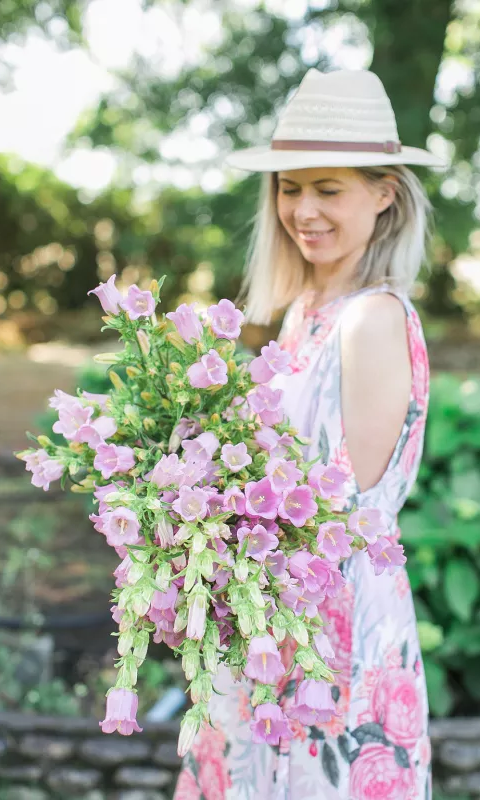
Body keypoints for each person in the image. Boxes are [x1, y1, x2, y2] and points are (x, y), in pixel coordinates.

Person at [173, 68, 445, 800]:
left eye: (328, 188)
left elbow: (340, 514)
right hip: (269, 614)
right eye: (290, 188)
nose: (302, 210)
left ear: (383, 192)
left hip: (330, 629)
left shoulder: (371, 320)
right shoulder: (306, 310)